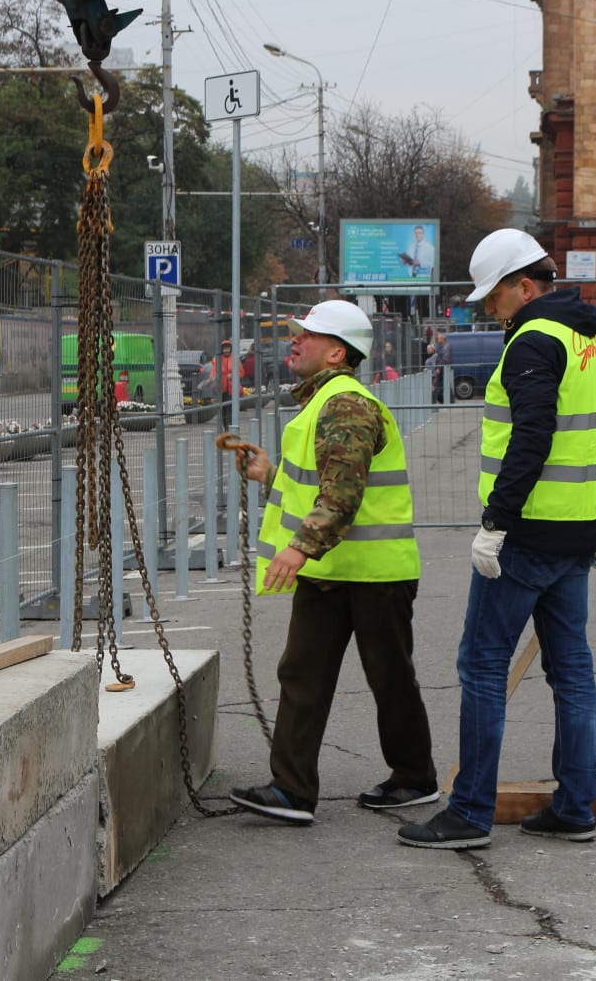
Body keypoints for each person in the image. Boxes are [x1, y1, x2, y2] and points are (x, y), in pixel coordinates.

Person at [399, 229, 596, 850]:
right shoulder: (592, 341)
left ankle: (469, 813)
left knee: (483, 664)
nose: (489, 309)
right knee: (571, 667)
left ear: (525, 285)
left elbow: (532, 438)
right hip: (576, 529)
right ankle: (576, 807)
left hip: (525, 535)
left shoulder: (531, 340)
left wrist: (495, 522)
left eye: (494, 297)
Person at [228, 300, 437, 826]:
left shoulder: (346, 404)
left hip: (373, 573)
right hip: (329, 571)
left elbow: (344, 490)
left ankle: (413, 778)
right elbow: (320, 488)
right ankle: (292, 790)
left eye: (308, 336)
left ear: (337, 351)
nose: (295, 341)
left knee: (389, 677)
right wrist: (270, 475)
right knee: (302, 674)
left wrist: (299, 548)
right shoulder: (323, 403)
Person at [430, 330, 452, 404]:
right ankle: (450, 400)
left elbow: (445, 359)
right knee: (444, 385)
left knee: (437, 386)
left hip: (443, 369)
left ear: (443, 338)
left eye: (438, 338)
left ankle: (434, 401)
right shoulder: (443, 346)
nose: (437, 339)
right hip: (443, 369)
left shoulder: (446, 347)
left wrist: (439, 368)